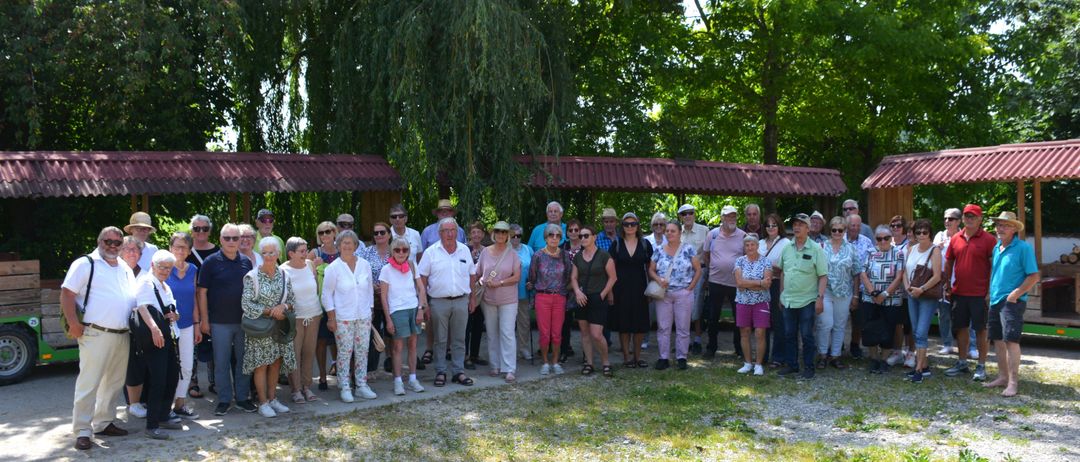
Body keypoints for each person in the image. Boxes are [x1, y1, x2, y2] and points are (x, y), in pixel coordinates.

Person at [63, 227, 137, 450]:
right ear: (99, 241)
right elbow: (67, 293)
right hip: (95, 332)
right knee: (89, 383)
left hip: (122, 333)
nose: (113, 246)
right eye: (108, 241)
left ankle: (104, 423)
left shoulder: (124, 266)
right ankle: (83, 430)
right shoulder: (86, 263)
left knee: (113, 383)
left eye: (117, 242)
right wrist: (74, 323)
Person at [198, 223, 257, 416]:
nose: (231, 242)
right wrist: (204, 320)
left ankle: (242, 398)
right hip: (218, 322)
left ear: (240, 240)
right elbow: (202, 292)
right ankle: (224, 399)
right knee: (221, 362)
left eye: (235, 238)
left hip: (243, 321)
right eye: (227, 238)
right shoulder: (210, 262)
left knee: (243, 361)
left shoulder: (246, 262)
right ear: (220, 240)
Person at [984, 211, 1039, 397]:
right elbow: (995, 273)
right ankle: (1002, 377)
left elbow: (1033, 276)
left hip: (1012, 302)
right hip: (996, 299)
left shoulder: (1023, 248)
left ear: (1015, 228)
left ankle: (1013, 383)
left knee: (1011, 341)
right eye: (999, 224)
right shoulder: (997, 246)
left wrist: (1016, 294)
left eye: (1006, 225)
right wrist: (989, 293)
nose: (1001, 228)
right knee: (998, 340)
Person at [242, 237, 297, 418]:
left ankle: (273, 399)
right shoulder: (252, 276)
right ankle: (263, 403)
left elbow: (292, 301)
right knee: (261, 365)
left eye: (271, 252)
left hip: (279, 328)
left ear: (278, 254)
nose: (268, 256)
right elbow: (246, 304)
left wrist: (284, 307)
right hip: (261, 328)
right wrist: (270, 311)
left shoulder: (284, 275)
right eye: (264, 253)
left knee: (275, 363)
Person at [419, 217, 477, 387]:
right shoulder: (431, 252)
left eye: (453, 230)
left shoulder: (464, 250)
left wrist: (472, 297)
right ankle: (441, 371)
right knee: (440, 340)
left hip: (461, 300)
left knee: (459, 339)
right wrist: (425, 304)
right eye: (446, 231)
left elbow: (472, 275)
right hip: (438, 302)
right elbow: (422, 278)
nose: (450, 234)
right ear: (440, 233)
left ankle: (458, 371)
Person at [131, 250, 183, 439]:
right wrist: (155, 329)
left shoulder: (165, 286)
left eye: (168, 268)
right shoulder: (146, 282)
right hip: (155, 339)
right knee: (158, 381)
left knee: (172, 378)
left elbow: (171, 310)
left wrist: (175, 316)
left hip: (169, 337)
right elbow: (142, 307)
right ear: (153, 265)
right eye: (161, 267)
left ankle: (163, 416)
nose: (165, 271)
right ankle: (152, 425)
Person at [321, 230, 377, 402]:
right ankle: (344, 386)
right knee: (345, 352)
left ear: (355, 245)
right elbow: (326, 294)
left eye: (350, 242)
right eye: (343, 243)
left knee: (362, 351)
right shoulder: (333, 268)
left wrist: (371, 309)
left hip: (363, 315)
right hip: (343, 317)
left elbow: (369, 289)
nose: (347, 245)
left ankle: (361, 385)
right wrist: (331, 317)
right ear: (338, 245)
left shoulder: (364, 264)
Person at [943, 204, 997, 381]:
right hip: (959, 292)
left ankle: (981, 366)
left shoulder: (989, 240)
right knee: (960, 328)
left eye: (973, 216)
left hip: (980, 293)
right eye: (966, 215)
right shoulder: (956, 238)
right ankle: (962, 362)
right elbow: (949, 261)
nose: (969, 219)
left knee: (981, 329)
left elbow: (994, 266)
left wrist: (990, 289)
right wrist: (947, 283)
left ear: (980, 219)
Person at [775, 213, 828, 380]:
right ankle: (792, 365)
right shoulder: (786, 248)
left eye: (800, 224)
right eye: (795, 224)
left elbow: (823, 276)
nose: (796, 227)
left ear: (808, 228)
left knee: (806, 335)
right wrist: (781, 295)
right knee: (789, 334)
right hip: (788, 300)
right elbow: (783, 272)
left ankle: (809, 366)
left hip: (807, 300)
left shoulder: (816, 249)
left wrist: (820, 298)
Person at [419, 200, 466, 365]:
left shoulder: (460, 232)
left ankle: (453, 359)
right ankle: (430, 350)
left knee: (455, 330)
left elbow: (465, 264)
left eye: (448, 211)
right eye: (441, 211)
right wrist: (423, 296)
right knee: (433, 325)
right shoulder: (427, 231)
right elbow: (421, 259)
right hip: (435, 287)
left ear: (452, 213)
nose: (444, 213)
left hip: (457, 291)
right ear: (437, 213)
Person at [649, 223, 702, 370]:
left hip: (683, 294)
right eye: (667, 231)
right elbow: (651, 270)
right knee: (663, 327)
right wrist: (659, 280)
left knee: (683, 327)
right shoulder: (659, 250)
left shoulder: (688, 249)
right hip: (663, 294)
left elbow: (698, 270)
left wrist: (690, 288)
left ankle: (681, 357)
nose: (669, 233)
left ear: (680, 233)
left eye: (673, 231)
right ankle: (663, 357)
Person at [379, 238, 428, 395]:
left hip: (413, 308)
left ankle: (413, 379)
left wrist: (420, 308)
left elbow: (421, 289)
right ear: (392, 251)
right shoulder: (386, 269)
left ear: (408, 252)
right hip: (396, 311)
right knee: (397, 347)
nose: (401, 253)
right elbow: (384, 297)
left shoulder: (412, 266)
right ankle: (398, 381)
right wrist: (388, 319)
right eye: (397, 250)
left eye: (404, 250)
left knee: (413, 345)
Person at [475, 221, 522, 382]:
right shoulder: (485, 252)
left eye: (504, 232)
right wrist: (481, 281)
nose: (501, 235)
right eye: (498, 232)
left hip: (508, 299)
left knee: (507, 332)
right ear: (493, 234)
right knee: (491, 333)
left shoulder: (513, 254)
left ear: (508, 235)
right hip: (488, 298)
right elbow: (478, 272)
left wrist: (500, 283)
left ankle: (509, 368)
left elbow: (517, 277)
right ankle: (495, 365)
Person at [816, 216, 864, 370]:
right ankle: (822, 354)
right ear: (830, 230)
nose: (837, 232)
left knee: (840, 325)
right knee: (825, 323)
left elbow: (857, 273)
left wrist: (856, 296)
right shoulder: (821, 247)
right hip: (825, 291)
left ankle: (835, 356)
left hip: (844, 292)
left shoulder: (851, 248)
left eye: (840, 230)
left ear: (845, 231)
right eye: (834, 229)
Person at [570, 225, 618, 376]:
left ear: (594, 237)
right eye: (581, 236)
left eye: (586, 235)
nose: (582, 238)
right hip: (582, 298)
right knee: (584, 333)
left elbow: (613, 277)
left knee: (596, 334)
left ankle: (605, 362)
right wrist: (577, 292)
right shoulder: (578, 256)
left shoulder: (604, 255)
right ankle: (589, 363)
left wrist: (603, 294)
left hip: (598, 297)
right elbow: (573, 277)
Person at [859, 225, 905, 374]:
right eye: (879, 238)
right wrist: (873, 293)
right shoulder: (870, 252)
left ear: (891, 238)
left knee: (888, 329)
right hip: (870, 298)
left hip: (891, 299)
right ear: (876, 239)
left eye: (886, 238)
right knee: (870, 328)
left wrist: (884, 294)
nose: (883, 241)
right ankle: (873, 359)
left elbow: (899, 277)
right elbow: (863, 273)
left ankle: (884, 360)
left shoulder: (898, 253)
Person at [280, 237, 321, 403]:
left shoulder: (310, 265)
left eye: (306, 250)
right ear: (291, 253)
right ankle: (295, 389)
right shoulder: (283, 270)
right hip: (294, 318)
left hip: (314, 314)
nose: (306, 254)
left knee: (309, 352)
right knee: (294, 354)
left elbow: (316, 287)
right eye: (302, 251)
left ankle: (307, 386)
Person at [901, 219, 943, 383]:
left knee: (921, 332)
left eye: (924, 232)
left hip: (926, 296)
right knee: (916, 331)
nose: (921, 235)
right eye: (918, 232)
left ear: (930, 233)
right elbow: (904, 271)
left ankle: (918, 369)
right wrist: (907, 287)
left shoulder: (935, 251)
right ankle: (923, 366)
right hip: (912, 294)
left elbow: (937, 276)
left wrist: (922, 289)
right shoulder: (911, 249)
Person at [528, 224, 572, 375]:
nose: (554, 238)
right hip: (542, 296)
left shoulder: (565, 255)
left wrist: (562, 290)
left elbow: (568, 277)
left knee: (557, 333)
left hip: (559, 297)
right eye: (551, 235)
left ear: (561, 238)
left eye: (558, 235)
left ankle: (556, 362)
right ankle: (545, 362)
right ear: (546, 237)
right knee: (545, 333)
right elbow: (532, 277)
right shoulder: (538, 255)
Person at [166, 232, 201, 420]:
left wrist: (197, 324)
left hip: (187, 324)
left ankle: (180, 404)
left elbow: (194, 298)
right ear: (170, 248)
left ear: (189, 251)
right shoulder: (163, 267)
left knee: (187, 366)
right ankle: (165, 407)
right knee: (168, 367)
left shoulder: (193, 269)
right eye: (177, 246)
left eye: (184, 247)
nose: (180, 250)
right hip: (167, 326)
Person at [609, 212, 652, 368]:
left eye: (632, 224)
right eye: (626, 224)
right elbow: (610, 269)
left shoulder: (645, 244)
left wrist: (651, 289)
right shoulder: (616, 244)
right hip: (621, 289)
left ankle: (638, 357)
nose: (629, 227)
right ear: (622, 226)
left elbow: (650, 269)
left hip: (640, 288)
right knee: (624, 324)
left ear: (638, 226)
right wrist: (610, 292)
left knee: (640, 325)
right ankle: (627, 357)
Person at [703, 205, 746, 359]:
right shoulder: (712, 235)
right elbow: (706, 255)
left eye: (734, 216)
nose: (731, 219)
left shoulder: (743, 235)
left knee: (738, 317)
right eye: (728, 216)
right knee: (713, 317)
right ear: (722, 218)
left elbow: (747, 258)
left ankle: (739, 348)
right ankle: (711, 348)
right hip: (716, 281)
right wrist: (714, 268)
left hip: (737, 283)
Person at [185, 215, 217, 399]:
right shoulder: (186, 252)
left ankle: (214, 382)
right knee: (193, 343)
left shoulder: (218, 251)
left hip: (213, 303)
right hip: (191, 303)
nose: (201, 232)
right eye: (197, 229)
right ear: (192, 231)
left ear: (209, 230)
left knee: (214, 343)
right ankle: (193, 381)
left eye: (204, 228)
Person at [733, 234, 772, 375]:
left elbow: (767, 285)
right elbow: (739, 283)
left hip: (761, 301)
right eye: (747, 245)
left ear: (757, 246)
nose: (750, 247)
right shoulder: (739, 261)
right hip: (743, 301)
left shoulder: (766, 262)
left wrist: (748, 284)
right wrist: (759, 283)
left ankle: (758, 364)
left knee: (760, 333)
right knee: (744, 332)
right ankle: (747, 363)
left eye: (752, 244)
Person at [359, 222, 393, 378]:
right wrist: (372, 285)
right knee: (373, 333)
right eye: (376, 233)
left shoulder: (395, 250)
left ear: (389, 234)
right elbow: (359, 272)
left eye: (382, 232)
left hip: (392, 298)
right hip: (371, 298)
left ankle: (391, 362)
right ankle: (371, 368)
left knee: (391, 331)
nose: (379, 236)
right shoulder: (366, 252)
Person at [120, 236, 148, 418]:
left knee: (137, 366)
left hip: (140, 328)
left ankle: (137, 402)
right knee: (122, 368)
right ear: (121, 252)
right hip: (118, 327)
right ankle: (132, 403)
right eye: (128, 249)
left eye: (135, 250)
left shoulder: (146, 274)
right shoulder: (114, 272)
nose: (132, 253)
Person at [309, 221, 339, 390]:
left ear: (334, 233)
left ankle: (341, 371)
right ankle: (321, 376)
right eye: (321, 232)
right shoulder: (315, 253)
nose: (325, 235)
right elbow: (304, 276)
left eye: (328, 231)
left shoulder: (343, 251)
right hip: (320, 304)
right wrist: (314, 266)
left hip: (340, 304)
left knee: (338, 340)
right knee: (320, 341)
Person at [676, 204, 709, 354]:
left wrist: (708, 275)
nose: (687, 216)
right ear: (680, 217)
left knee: (697, 305)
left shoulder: (704, 231)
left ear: (694, 214)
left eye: (690, 213)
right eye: (684, 214)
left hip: (699, 272)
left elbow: (709, 254)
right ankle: (684, 340)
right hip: (681, 275)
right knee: (681, 306)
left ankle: (697, 340)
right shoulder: (677, 233)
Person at [885, 215, 916, 369]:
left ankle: (911, 352)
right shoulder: (886, 243)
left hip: (907, 290)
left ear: (904, 228)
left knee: (910, 324)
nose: (895, 228)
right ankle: (897, 352)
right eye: (893, 225)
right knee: (896, 323)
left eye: (898, 225)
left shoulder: (909, 245)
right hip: (892, 291)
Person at [759, 214, 790, 368]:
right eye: (768, 225)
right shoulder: (759, 243)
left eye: (774, 225)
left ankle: (778, 357)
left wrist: (771, 269)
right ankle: (762, 356)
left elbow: (788, 267)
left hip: (778, 285)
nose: (771, 228)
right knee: (762, 321)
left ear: (779, 227)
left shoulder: (786, 243)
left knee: (778, 322)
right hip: (761, 285)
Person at [933, 208, 962, 355]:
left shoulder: (964, 236)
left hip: (961, 281)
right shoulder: (939, 236)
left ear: (958, 221)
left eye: (950, 219)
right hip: (943, 282)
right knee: (943, 314)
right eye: (945, 218)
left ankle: (971, 347)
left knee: (963, 316)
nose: (947, 221)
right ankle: (947, 344)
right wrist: (937, 248)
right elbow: (932, 255)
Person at [845, 214, 874, 359]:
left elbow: (873, 261)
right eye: (852, 225)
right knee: (838, 320)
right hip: (841, 288)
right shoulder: (839, 239)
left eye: (858, 225)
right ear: (847, 226)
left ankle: (855, 345)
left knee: (858, 321)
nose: (855, 228)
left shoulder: (867, 242)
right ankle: (834, 348)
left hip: (861, 288)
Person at [464, 221, 491, 369]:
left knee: (478, 324)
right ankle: (465, 355)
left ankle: (475, 354)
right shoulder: (464, 249)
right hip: (468, 292)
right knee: (466, 325)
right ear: (470, 234)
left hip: (482, 292)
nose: (476, 235)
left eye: (479, 232)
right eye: (473, 232)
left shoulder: (487, 250)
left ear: (483, 234)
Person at [558, 219, 584, 362]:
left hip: (582, 289)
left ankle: (586, 354)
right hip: (565, 290)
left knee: (583, 322)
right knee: (564, 323)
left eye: (576, 229)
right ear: (566, 233)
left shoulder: (586, 246)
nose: (573, 232)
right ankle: (564, 350)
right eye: (570, 230)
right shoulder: (561, 248)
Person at [509, 224, 534, 367]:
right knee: (508, 323)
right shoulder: (505, 250)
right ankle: (509, 350)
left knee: (524, 321)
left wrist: (532, 281)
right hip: (507, 292)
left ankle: (523, 348)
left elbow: (534, 268)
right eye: (513, 236)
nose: (516, 238)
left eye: (518, 235)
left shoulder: (527, 249)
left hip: (524, 291)